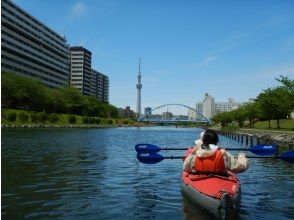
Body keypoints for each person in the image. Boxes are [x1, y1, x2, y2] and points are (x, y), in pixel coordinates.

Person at [183, 129, 249, 174]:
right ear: (216, 141)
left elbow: (185, 169)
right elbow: (239, 168)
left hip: (198, 178)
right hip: (220, 178)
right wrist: (242, 156)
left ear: (203, 141)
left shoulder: (195, 153)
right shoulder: (223, 154)